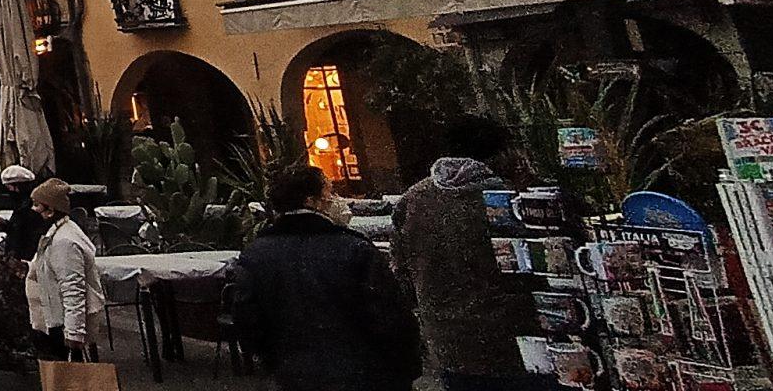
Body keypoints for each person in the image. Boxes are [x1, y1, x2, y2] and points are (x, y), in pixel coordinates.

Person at [234, 166, 421, 391]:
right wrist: (405, 369)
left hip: (295, 375)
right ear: (312, 201)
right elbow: (391, 317)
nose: (338, 200)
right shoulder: (353, 249)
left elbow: (248, 320)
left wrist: (278, 362)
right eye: (330, 193)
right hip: (365, 374)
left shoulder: (255, 255)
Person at [395, 116, 546, 391]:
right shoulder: (513, 195)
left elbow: (402, 275)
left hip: (451, 345)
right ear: (500, 152)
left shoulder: (413, 200)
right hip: (521, 342)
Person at [24, 177, 105, 360]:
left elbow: (73, 288)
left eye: (37, 205)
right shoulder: (55, 235)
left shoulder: (64, 241)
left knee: (67, 379)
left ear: (50, 210)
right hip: (53, 317)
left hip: (61, 324)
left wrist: (74, 333)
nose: (33, 210)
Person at [0, 164, 46, 264]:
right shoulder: (21, 204)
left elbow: (26, 231)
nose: (10, 191)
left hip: (26, 256)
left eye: (10, 187)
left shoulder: (31, 205)